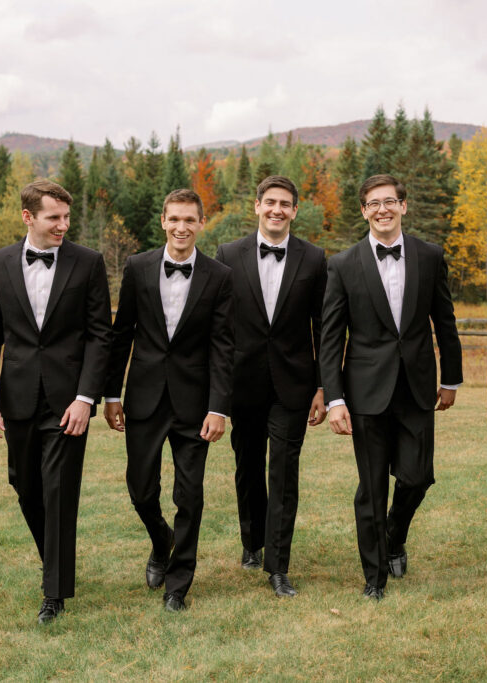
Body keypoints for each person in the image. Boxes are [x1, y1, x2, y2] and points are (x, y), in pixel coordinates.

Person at [0, 179, 112, 624]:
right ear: (28, 217)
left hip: (68, 400)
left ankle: (54, 593)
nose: (63, 226)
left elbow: (99, 336)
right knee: (25, 485)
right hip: (17, 398)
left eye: (67, 217)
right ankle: (54, 560)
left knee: (58, 490)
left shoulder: (88, 263)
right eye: (54, 217)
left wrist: (85, 398)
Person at [319, 174, 463, 601]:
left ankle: (394, 535)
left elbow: (446, 321)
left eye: (389, 201)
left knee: (418, 478)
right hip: (365, 392)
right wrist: (335, 399)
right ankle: (375, 576)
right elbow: (331, 338)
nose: (382, 209)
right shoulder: (343, 264)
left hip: (417, 387)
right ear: (363, 211)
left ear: (404, 205)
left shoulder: (431, 255)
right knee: (373, 486)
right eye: (373, 203)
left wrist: (451, 378)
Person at [103, 188, 234, 613]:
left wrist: (218, 407)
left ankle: (178, 584)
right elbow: (121, 335)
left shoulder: (219, 275)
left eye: (189, 220)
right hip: (143, 398)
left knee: (190, 496)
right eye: (174, 219)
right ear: (163, 221)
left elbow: (222, 346)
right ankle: (161, 541)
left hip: (195, 405)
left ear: (201, 223)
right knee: (141, 490)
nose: (181, 227)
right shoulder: (138, 267)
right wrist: (111, 394)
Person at [215, 176, 328, 597]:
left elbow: (325, 328)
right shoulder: (228, 254)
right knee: (247, 468)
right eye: (271, 202)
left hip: (293, 385)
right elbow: (220, 326)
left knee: (283, 471)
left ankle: (278, 566)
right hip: (242, 383)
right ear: (257, 206)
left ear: (295, 211)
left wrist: (322, 387)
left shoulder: (315, 259)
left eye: (286, 204)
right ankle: (252, 542)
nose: (278, 210)